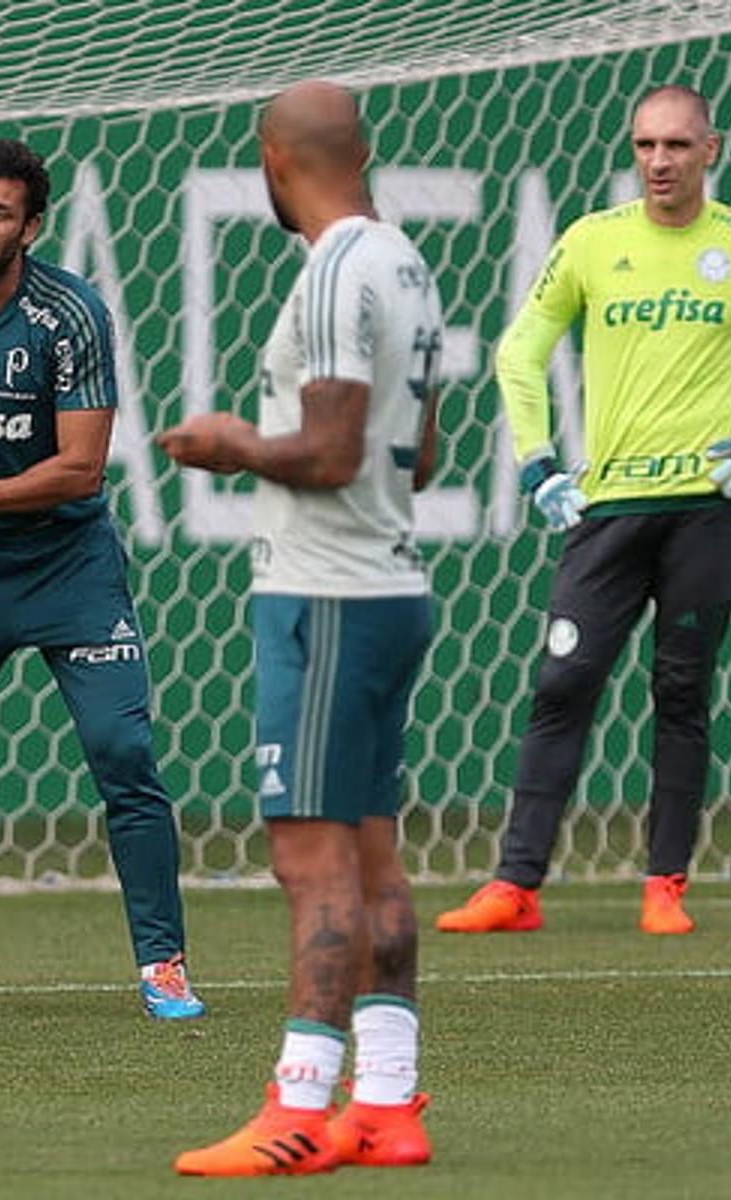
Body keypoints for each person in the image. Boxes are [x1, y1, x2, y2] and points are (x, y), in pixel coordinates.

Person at [437, 84, 731, 937]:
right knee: (564, 680)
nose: (659, 162)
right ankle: (516, 885)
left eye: (676, 146)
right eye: (644, 147)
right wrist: (537, 464)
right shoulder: (594, 242)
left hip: (708, 507)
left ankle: (664, 885)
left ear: (712, 150)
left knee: (681, 690)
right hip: (610, 505)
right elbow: (519, 350)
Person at [161, 82, 441, 1176]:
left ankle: (297, 1106)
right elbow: (419, 454)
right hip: (387, 586)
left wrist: (234, 440)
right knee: (372, 857)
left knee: (311, 860)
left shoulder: (331, 270)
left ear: (276, 159)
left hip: (326, 597)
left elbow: (328, 453)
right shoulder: (406, 263)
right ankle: (385, 1102)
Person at [0, 138, 204, 1020]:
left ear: (33, 225)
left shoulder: (70, 313)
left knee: (124, 754)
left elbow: (82, 469)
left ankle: (163, 964)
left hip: (70, 567)